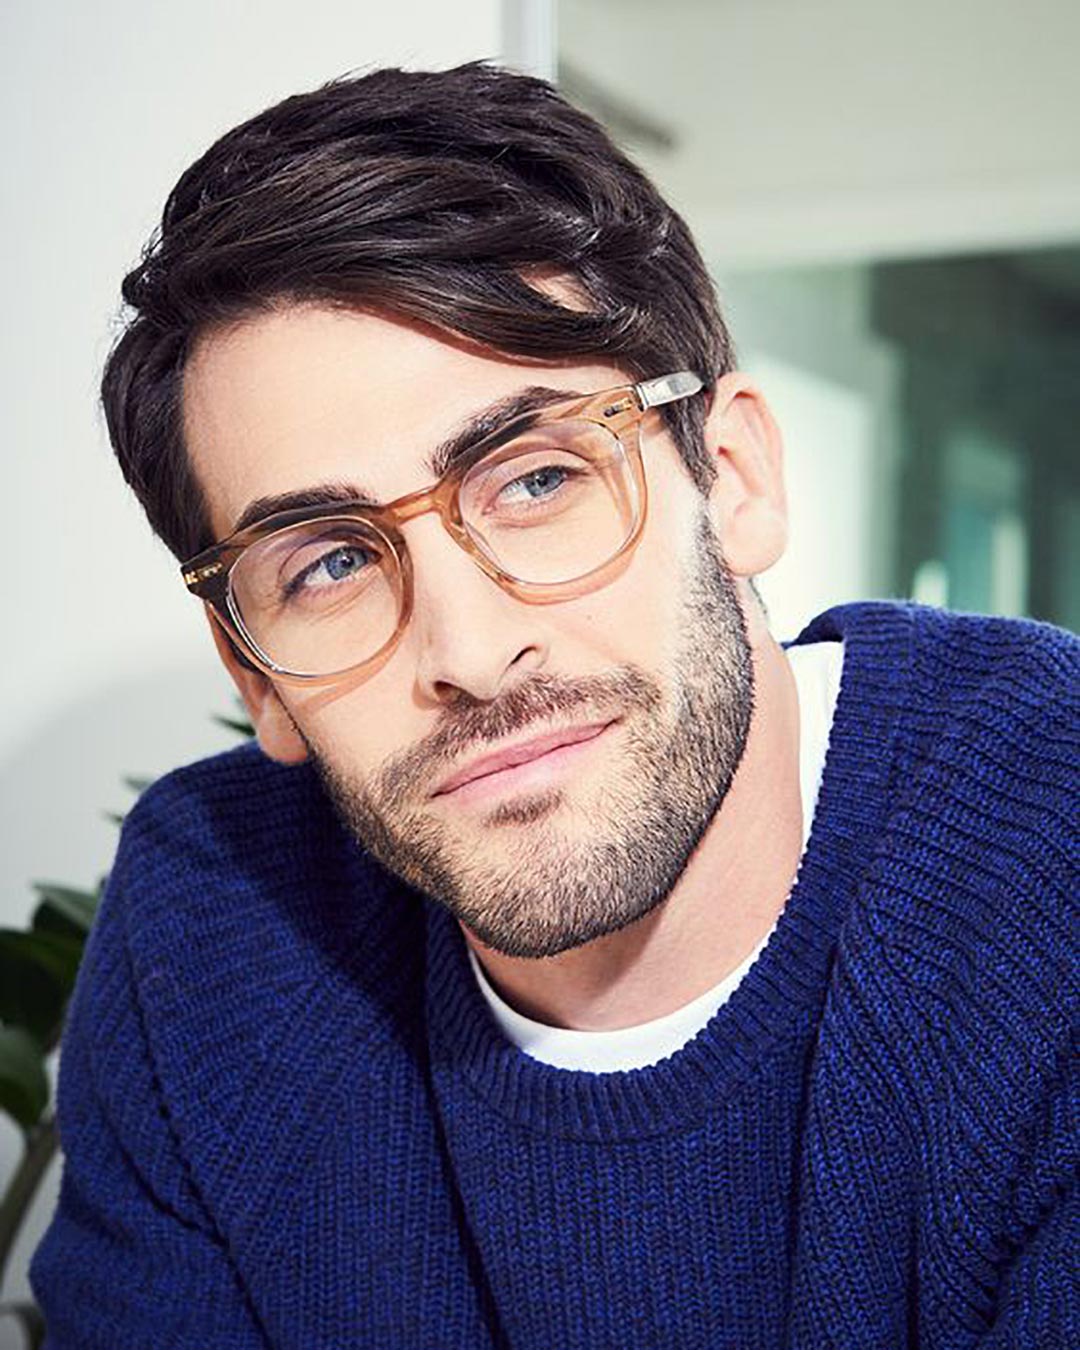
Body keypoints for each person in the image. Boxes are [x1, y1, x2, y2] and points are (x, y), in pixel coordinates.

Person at [29, 62, 1076, 1349]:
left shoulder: (1051, 843)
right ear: (254, 672)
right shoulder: (214, 924)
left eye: (534, 479)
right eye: (333, 562)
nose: (467, 648)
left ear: (733, 477)